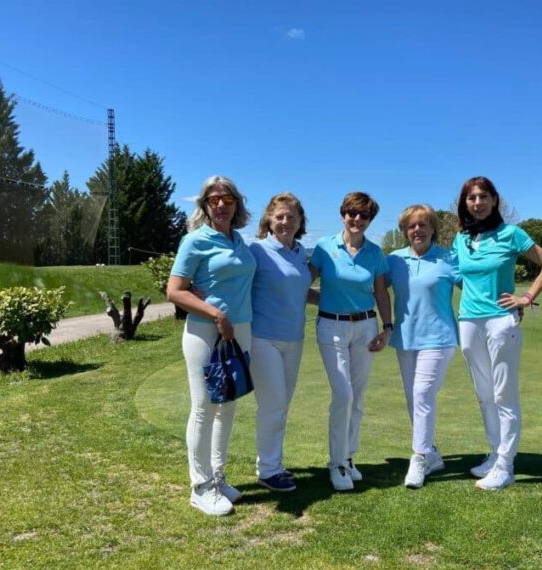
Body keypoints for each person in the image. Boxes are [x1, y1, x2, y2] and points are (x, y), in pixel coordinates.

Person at [452, 176, 542, 491]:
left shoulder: (511, 233)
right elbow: (459, 275)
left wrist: (525, 298)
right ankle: (494, 454)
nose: (478, 203)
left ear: (494, 200)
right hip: (469, 320)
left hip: (501, 321)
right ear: (465, 203)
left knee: (503, 395)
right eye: (472, 198)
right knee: (484, 394)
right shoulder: (461, 238)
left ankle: (505, 465)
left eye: (483, 196)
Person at [166, 175, 256, 516]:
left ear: (237, 205)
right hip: (206, 331)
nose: (221, 205)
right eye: (214, 200)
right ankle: (200, 486)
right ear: (205, 205)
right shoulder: (194, 241)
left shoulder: (241, 242)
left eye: (228, 199)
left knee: (228, 406)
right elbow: (175, 291)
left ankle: (218, 478)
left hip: (241, 330)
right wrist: (215, 312)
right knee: (204, 407)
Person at [309, 191, 392, 491]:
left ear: (370, 219)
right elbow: (302, 284)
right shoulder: (323, 247)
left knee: (357, 397)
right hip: (331, 326)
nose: (357, 219)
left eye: (364, 215)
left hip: (366, 327)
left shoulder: (375, 252)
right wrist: (323, 300)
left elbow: (381, 292)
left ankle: (349, 457)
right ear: (342, 214)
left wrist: (387, 328)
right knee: (343, 394)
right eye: (352, 213)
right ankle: (337, 463)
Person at [385, 205, 461, 489]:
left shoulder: (448, 258)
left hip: (439, 339)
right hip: (406, 339)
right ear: (405, 231)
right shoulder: (394, 260)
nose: (417, 230)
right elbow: (376, 289)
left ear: (432, 229)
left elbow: (474, 287)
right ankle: (432, 453)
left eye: (423, 225)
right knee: (412, 399)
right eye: (411, 226)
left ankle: (418, 458)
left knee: (421, 394)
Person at [248, 193, 313, 493]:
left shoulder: (300, 254)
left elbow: (299, 291)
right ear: (269, 220)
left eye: (291, 217)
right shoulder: (256, 250)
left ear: (300, 222)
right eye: (279, 217)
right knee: (272, 405)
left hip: (294, 340)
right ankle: (269, 469)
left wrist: (343, 301)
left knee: (281, 405)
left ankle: (272, 463)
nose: (285, 222)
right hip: (263, 339)